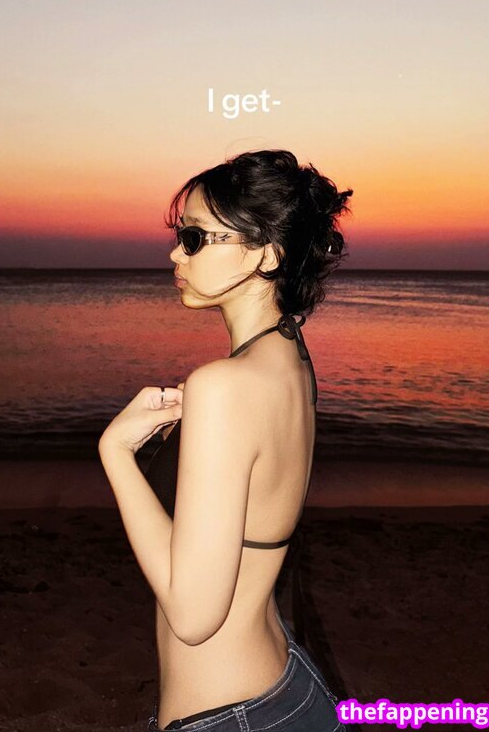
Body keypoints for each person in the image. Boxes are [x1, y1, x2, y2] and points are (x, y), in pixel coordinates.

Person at [99, 148, 359, 731]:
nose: (176, 253)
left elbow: (193, 616)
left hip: (227, 713)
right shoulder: (291, 359)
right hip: (278, 686)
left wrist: (115, 453)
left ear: (266, 253)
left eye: (195, 238)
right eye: (180, 236)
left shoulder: (225, 385)